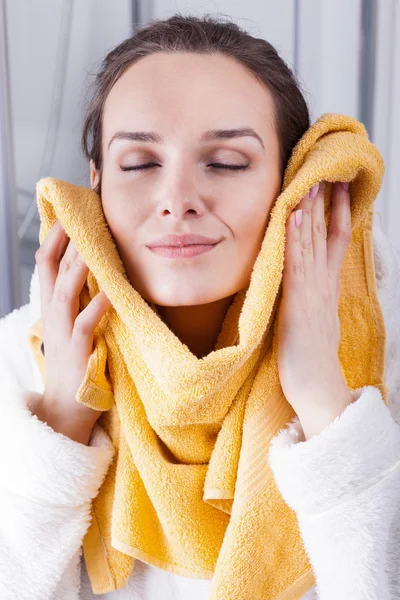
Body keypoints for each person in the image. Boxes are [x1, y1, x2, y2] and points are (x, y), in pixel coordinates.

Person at [1, 13, 400, 600]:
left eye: (226, 162)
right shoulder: (19, 369)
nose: (177, 200)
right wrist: (61, 418)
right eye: (139, 163)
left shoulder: (380, 369)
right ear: (97, 185)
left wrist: (323, 402)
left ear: (289, 188)